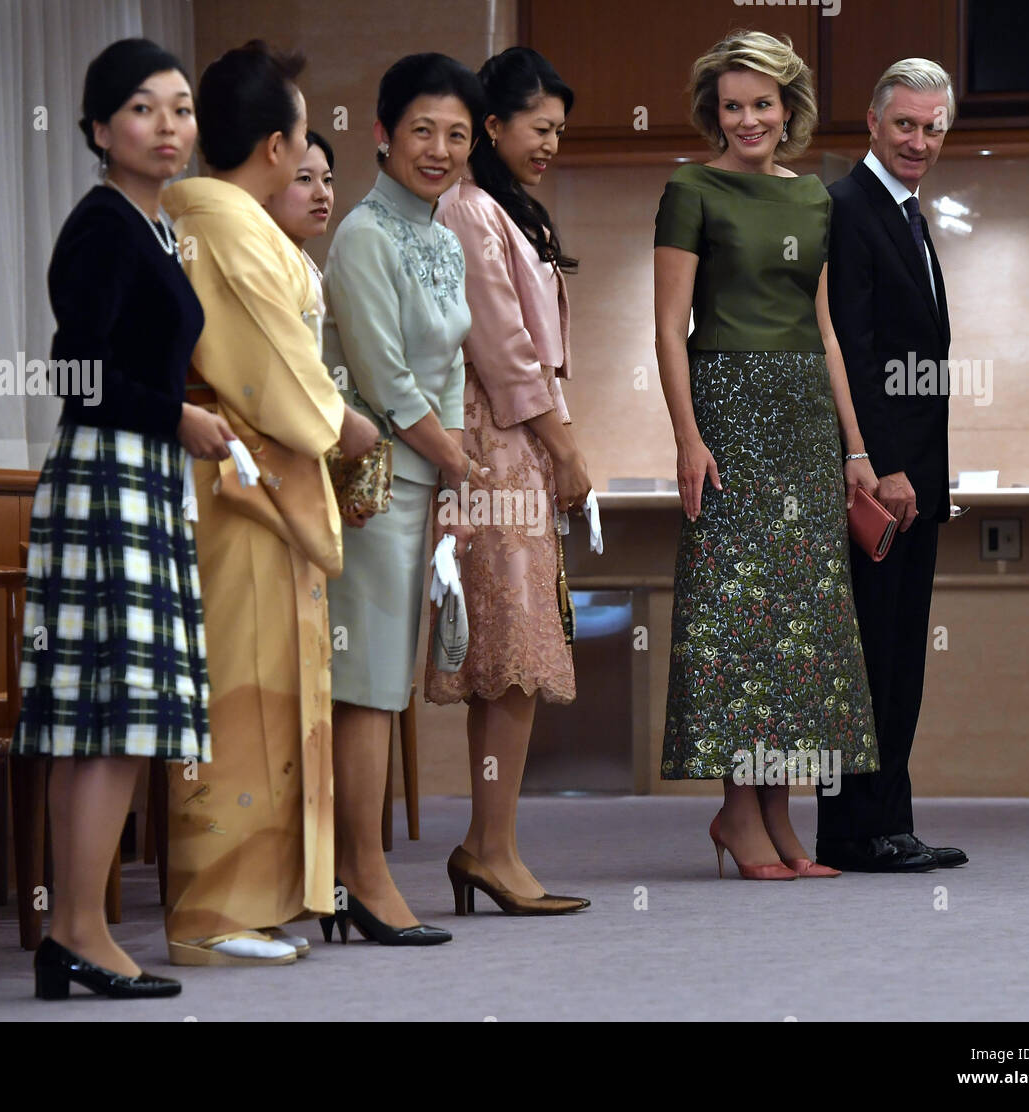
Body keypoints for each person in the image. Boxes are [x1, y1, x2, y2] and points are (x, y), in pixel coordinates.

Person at [15, 38, 236, 999]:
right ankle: (78, 928)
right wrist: (176, 413)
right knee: (106, 718)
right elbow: (77, 371)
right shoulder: (104, 225)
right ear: (101, 130)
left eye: (181, 109)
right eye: (144, 110)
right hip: (110, 473)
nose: (168, 126)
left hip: (135, 472)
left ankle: (74, 929)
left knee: (106, 716)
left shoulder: (150, 226)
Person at [160, 40, 380, 965]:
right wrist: (341, 424)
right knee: (242, 689)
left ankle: (260, 896)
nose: (306, 158)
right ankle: (213, 912)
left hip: (252, 475)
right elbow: (272, 372)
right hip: (236, 483)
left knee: (271, 689)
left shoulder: (221, 217)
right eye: (299, 135)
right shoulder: (228, 225)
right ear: (275, 143)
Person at [654, 30, 880, 879]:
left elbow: (825, 333)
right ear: (713, 112)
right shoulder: (690, 189)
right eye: (731, 105)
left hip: (802, 423)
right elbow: (668, 330)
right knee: (738, 624)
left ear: (789, 109)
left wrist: (854, 448)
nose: (747, 118)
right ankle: (735, 815)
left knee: (800, 628)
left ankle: (781, 820)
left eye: (762, 104)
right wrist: (687, 435)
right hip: (729, 413)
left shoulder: (815, 199)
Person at [320, 53, 487, 944]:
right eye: (422, 129)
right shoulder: (363, 234)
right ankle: (359, 872)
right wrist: (455, 459)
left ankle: (360, 871)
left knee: (390, 680)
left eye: (457, 133)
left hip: (428, 481)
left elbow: (452, 363)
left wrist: (456, 482)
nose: (440, 148)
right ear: (383, 134)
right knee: (369, 684)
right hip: (372, 483)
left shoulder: (445, 235)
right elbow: (383, 380)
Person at [425, 47, 590, 915]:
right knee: (507, 655)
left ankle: (493, 846)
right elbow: (504, 351)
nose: (551, 143)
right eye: (539, 126)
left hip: (514, 443)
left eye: (560, 130)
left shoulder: (500, 208)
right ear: (494, 125)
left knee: (513, 657)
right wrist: (566, 449)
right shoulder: (467, 211)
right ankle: (489, 848)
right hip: (494, 447)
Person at [816, 59, 968, 873]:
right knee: (870, 652)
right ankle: (853, 831)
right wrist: (877, 462)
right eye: (904, 124)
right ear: (873, 123)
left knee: (902, 653)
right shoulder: (847, 208)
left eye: (933, 126)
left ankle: (890, 823)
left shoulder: (906, 212)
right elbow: (856, 348)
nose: (918, 140)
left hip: (919, 477)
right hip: (883, 480)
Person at [263, 129, 336, 351]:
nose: (322, 193)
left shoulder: (300, 258)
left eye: (327, 180)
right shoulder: (265, 263)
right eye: (305, 178)